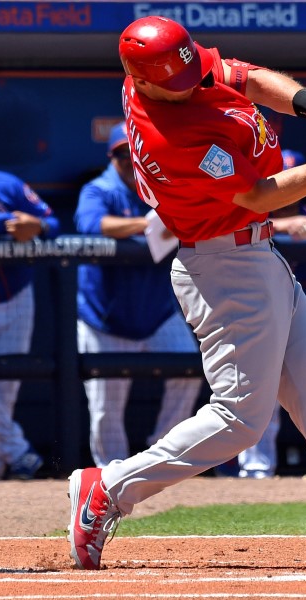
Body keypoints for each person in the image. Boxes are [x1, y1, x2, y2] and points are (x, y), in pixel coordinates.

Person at [68, 16, 306, 570]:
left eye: (192, 73)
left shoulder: (173, 68)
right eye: (177, 84)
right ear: (140, 82)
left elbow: (247, 77)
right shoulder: (171, 137)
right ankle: (109, 488)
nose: (193, 85)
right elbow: (258, 196)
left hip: (254, 258)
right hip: (224, 265)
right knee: (240, 419)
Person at [75, 122, 202, 468]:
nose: (131, 161)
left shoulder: (163, 185)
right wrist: (147, 224)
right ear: (112, 157)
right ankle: (109, 475)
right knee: (105, 407)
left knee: (189, 372)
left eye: (135, 154)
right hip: (105, 319)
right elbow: (91, 224)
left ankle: (162, 456)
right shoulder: (99, 189)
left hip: (157, 312)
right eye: (123, 154)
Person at [221, 149, 306, 479]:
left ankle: (261, 471)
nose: (288, 189)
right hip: (247, 317)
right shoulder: (247, 212)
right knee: (249, 395)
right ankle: (252, 471)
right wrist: (281, 226)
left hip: (294, 320)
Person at [0, 169, 60, 480]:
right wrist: (7, 221)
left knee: (5, 389)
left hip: (17, 296)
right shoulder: (6, 212)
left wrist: (36, 226)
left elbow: (53, 223)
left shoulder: (4, 184)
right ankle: (18, 451)